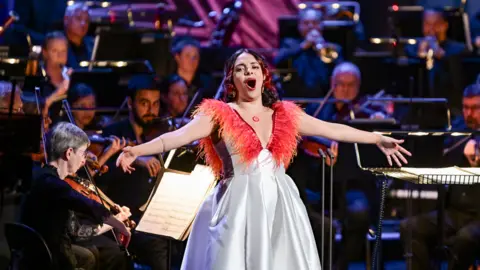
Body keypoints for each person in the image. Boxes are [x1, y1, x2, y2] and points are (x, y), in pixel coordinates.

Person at [116, 48, 411, 269]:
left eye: (253, 66)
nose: (248, 72)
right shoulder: (219, 114)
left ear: (262, 74)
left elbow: (331, 128)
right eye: (241, 69)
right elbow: (177, 137)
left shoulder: (282, 113)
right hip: (237, 204)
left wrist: (375, 138)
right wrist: (137, 150)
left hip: (278, 202)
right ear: (232, 78)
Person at [19, 122, 130, 270]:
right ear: (69, 153)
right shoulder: (55, 185)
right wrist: (119, 225)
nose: (85, 161)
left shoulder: (41, 175)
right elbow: (88, 205)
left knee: (90, 255)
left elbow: (76, 229)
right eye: (83, 154)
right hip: (53, 260)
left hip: (36, 253)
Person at [400, 84, 480, 270]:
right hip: (455, 212)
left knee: (466, 238)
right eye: (466, 107)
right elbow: (445, 152)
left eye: (476, 108)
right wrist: (467, 145)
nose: (469, 113)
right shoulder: (458, 128)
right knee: (409, 227)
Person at [98, 74, 171, 269]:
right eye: (144, 103)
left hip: (159, 214)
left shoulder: (162, 135)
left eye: (156, 104)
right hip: (127, 217)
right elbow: (101, 178)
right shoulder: (113, 134)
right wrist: (136, 157)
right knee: (157, 245)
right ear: (130, 103)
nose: (151, 110)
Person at [404, 8, 468, 114]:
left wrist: (442, 56)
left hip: (450, 109)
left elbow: (458, 81)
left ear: (445, 25)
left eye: (436, 24)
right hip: (419, 110)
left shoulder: (459, 49)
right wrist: (419, 56)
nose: (431, 29)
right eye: (427, 24)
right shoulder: (411, 49)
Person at [274, 7, 342, 98]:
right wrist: (303, 46)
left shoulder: (333, 48)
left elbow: (342, 71)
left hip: (324, 101)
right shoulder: (289, 44)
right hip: (295, 100)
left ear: (322, 25)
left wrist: (322, 47)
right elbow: (277, 61)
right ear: (299, 26)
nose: (310, 26)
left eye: (315, 23)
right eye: (306, 23)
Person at [63, 3, 94, 68]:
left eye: (87, 20)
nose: (83, 24)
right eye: (78, 18)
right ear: (66, 19)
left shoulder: (92, 46)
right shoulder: (56, 44)